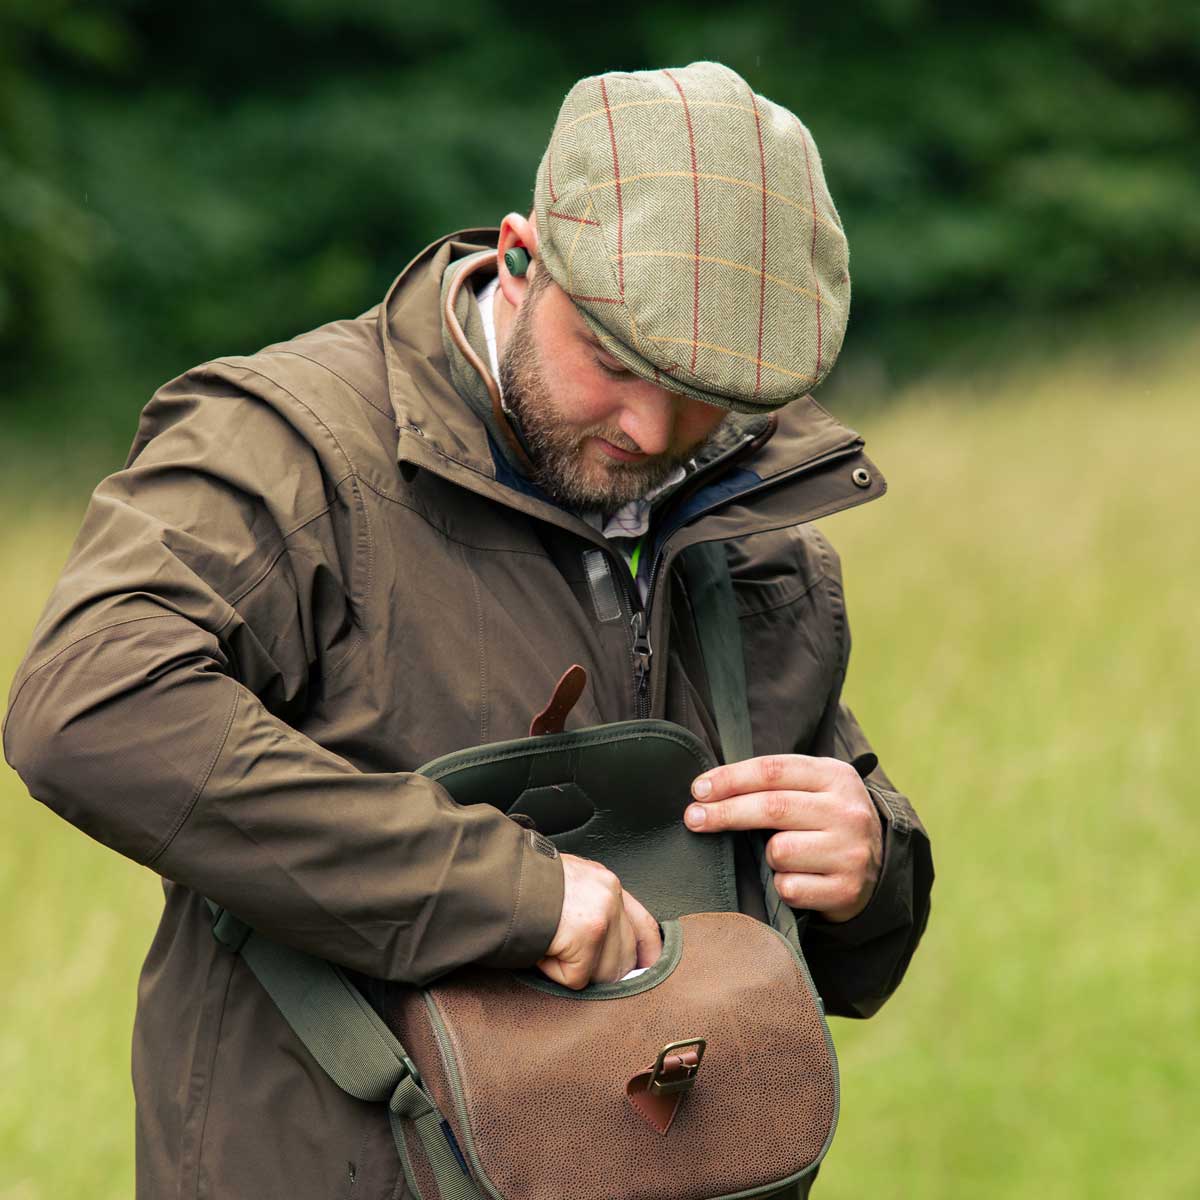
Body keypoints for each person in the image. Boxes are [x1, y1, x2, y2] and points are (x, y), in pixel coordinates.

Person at [4, 62, 932, 1197]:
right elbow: (91, 709)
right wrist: (506, 894)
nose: (653, 426)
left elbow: (834, 946)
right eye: (618, 362)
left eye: (705, 393)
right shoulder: (293, 450)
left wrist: (871, 857)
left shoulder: (742, 512)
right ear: (523, 258)